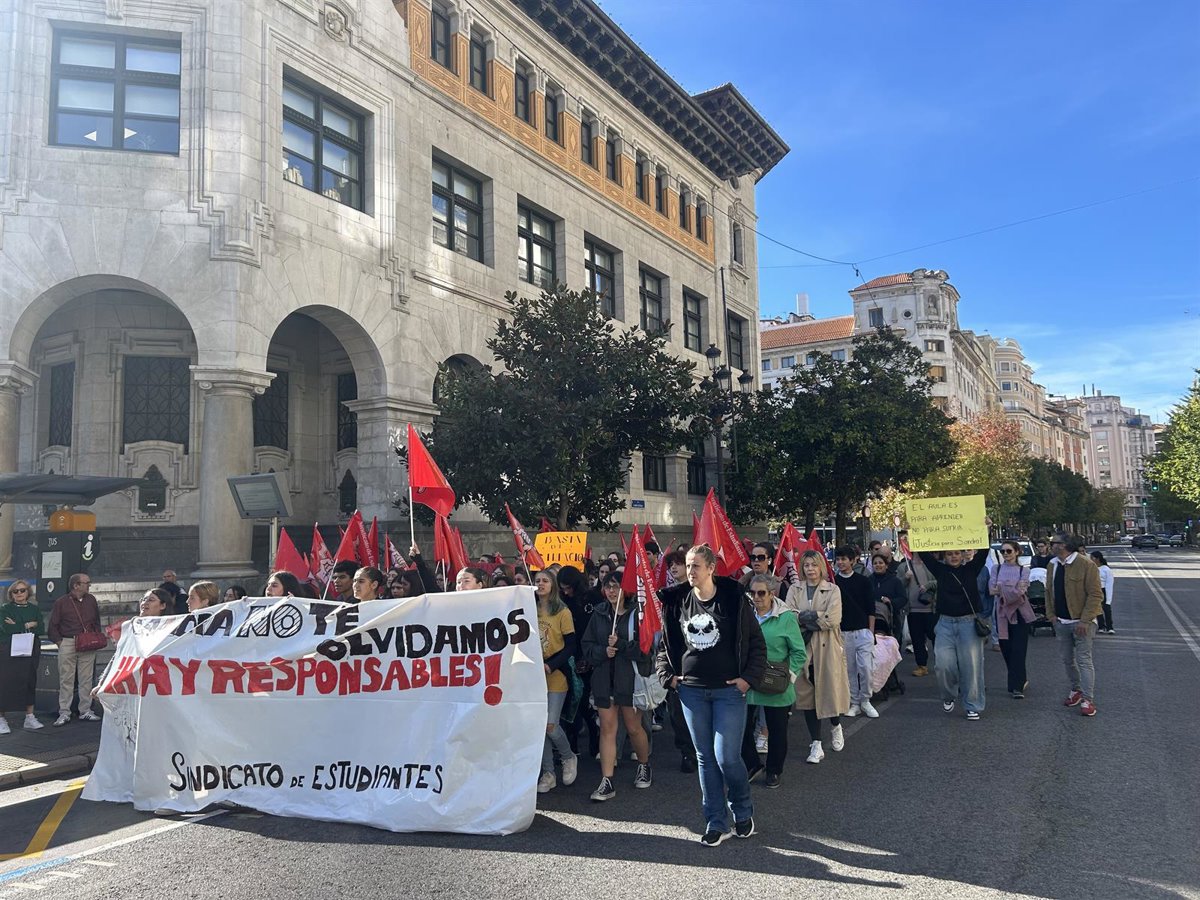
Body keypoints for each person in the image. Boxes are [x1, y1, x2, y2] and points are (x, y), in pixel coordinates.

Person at [656, 545, 766, 846]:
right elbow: (665, 646)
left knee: (726, 757)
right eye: (688, 566)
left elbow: (756, 643)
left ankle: (742, 812)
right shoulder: (676, 601)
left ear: (711, 569)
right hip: (691, 692)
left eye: (696, 566)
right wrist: (669, 677)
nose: (690, 571)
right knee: (705, 759)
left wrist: (747, 680)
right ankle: (716, 821)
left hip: (729, 692)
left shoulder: (733, 600)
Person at [581, 574, 653, 801]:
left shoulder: (636, 614)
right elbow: (587, 645)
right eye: (607, 587)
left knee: (633, 728)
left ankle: (644, 764)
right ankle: (607, 781)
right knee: (607, 729)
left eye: (616, 586)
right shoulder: (600, 613)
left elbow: (645, 650)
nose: (611, 591)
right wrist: (602, 652)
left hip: (629, 681)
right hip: (604, 680)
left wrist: (620, 645)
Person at [740, 574, 805, 789]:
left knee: (777, 731)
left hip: (776, 681)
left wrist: (790, 677)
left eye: (761, 593)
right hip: (749, 679)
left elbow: (798, 653)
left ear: (772, 594)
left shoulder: (786, 617)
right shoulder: (745, 613)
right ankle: (753, 764)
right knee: (741, 727)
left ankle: (774, 770)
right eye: (753, 593)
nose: (756, 597)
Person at [786, 550, 850, 763]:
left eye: (814, 565)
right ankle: (816, 743)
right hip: (803, 648)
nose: (810, 569)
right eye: (806, 565)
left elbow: (833, 619)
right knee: (807, 695)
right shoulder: (795, 589)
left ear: (821, 566)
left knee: (829, 690)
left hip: (827, 647)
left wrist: (805, 617)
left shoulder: (833, 589)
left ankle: (835, 725)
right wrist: (814, 617)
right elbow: (789, 616)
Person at [917, 544, 991, 720]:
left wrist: (986, 530)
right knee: (943, 664)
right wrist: (914, 533)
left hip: (968, 623)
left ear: (963, 555)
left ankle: (972, 704)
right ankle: (949, 694)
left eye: (957, 553)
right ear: (945, 556)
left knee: (971, 666)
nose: (954, 557)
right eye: (950, 554)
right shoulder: (940, 570)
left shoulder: (972, 569)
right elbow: (924, 555)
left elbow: (984, 551)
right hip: (945, 623)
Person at [1048, 534, 1104, 716]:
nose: (1051, 545)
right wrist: (1051, 616)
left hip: (1082, 622)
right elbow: (1049, 591)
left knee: (1084, 660)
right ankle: (1076, 689)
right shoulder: (1053, 565)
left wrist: (1085, 620)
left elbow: (1095, 595)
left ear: (1063, 545)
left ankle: (1088, 700)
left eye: (1054, 543)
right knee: (1066, 659)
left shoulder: (1086, 565)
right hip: (1061, 621)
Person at [534, 569, 578, 792]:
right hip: (533, 676)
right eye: (537, 581)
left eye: (545, 581)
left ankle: (568, 756)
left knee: (551, 725)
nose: (540, 584)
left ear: (553, 585)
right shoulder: (527, 610)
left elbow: (571, 645)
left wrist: (550, 665)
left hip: (555, 674)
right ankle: (548, 772)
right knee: (538, 726)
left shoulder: (563, 611)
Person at [47, 573, 103, 727]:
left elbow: (96, 619)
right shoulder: (61, 602)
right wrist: (60, 642)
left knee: (86, 678)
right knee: (66, 679)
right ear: (76, 585)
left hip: (87, 642)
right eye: (86, 583)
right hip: (68, 641)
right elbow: (53, 624)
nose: (89, 585)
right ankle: (64, 712)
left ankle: (85, 710)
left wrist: (96, 635)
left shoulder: (91, 599)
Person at [834, 546, 877, 718]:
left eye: (844, 559)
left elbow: (871, 608)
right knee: (849, 670)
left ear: (853, 560)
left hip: (863, 631)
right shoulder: (834, 582)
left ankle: (866, 700)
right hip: (843, 632)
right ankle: (854, 702)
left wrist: (871, 632)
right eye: (838, 559)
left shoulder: (864, 581)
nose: (841, 562)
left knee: (866, 667)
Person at [991, 540, 1034, 699]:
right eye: (1002, 552)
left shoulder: (1024, 570)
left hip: (1020, 614)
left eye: (1008, 551)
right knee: (1006, 648)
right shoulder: (996, 568)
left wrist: (1003, 589)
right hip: (1002, 614)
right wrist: (1010, 588)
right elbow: (992, 589)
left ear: (1017, 552)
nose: (1005, 554)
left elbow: (1021, 590)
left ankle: (1016, 686)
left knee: (1018, 649)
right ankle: (1020, 678)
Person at [1, 580, 45, 733]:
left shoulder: (34, 609)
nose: (19, 593)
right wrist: (27, 625)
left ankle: (30, 717)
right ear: (11, 594)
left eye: (22, 590)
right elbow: (6, 628)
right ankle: (1, 718)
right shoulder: (5, 609)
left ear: (28, 592)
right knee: (6, 682)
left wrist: (18, 625)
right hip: (9, 649)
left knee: (29, 680)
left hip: (31, 648)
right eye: (16, 591)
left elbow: (41, 628)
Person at [906, 551, 937, 676]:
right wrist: (905, 578)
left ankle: (940, 662)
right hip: (913, 610)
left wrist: (928, 585)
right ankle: (922, 666)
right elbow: (898, 585)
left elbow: (940, 580)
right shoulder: (905, 566)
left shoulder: (931, 565)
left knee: (936, 638)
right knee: (917, 639)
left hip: (930, 609)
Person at [1091, 551, 1115, 633]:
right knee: (1097, 609)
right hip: (1094, 590)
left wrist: (1108, 598)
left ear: (1098, 559)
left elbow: (1109, 583)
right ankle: (1101, 626)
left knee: (1106, 608)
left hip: (1103, 589)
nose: (1091, 559)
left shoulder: (1106, 569)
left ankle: (1110, 627)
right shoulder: (1091, 568)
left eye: (1093, 558)